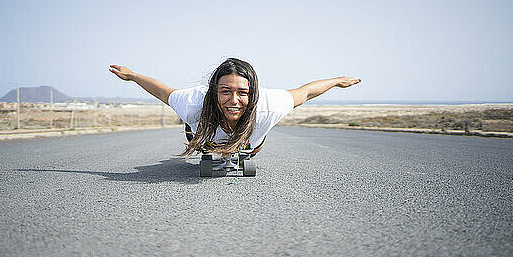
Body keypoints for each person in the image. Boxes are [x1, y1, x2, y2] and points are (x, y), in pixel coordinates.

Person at [109, 58, 361, 157]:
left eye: (242, 93)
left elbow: (305, 92)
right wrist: (133, 76)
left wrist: (337, 81)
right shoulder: (194, 104)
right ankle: (211, 141)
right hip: (206, 132)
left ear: (253, 94)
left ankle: (241, 145)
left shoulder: (269, 106)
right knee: (197, 130)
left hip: (249, 138)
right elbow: (163, 91)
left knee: (250, 147)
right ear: (214, 92)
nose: (234, 100)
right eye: (225, 91)